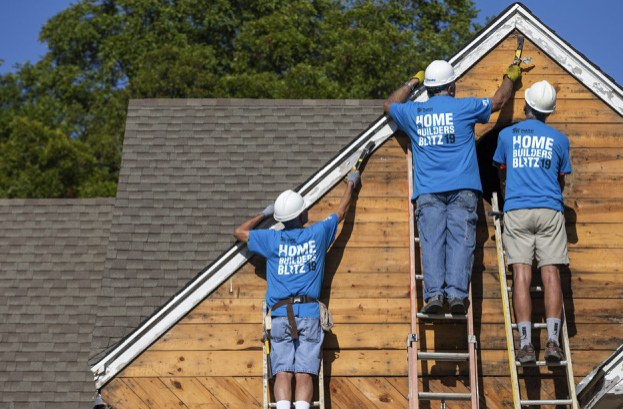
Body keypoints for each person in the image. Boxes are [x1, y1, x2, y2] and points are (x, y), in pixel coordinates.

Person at [383, 60, 520, 314]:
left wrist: (414, 80)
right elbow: (499, 101)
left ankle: (434, 296)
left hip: (429, 192)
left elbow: (389, 106)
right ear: (452, 87)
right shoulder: (464, 107)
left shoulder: (414, 112)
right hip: (463, 190)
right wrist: (510, 76)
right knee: (461, 242)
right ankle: (457, 296)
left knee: (432, 242)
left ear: (429, 88)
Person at [233, 172, 360, 409]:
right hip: (309, 314)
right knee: (304, 373)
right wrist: (351, 183)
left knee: (282, 372)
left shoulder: (272, 240)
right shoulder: (317, 234)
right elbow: (341, 213)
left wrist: (266, 213)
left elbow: (239, 233)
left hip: (280, 315)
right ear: (302, 214)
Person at [492, 80, 570, 363]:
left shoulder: (507, 136)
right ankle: (552, 342)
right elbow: (561, 180)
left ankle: (526, 345)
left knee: (521, 277)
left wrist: (508, 196)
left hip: (517, 210)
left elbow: (501, 174)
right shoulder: (560, 140)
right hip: (550, 211)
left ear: (525, 104)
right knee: (551, 276)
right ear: (549, 112)